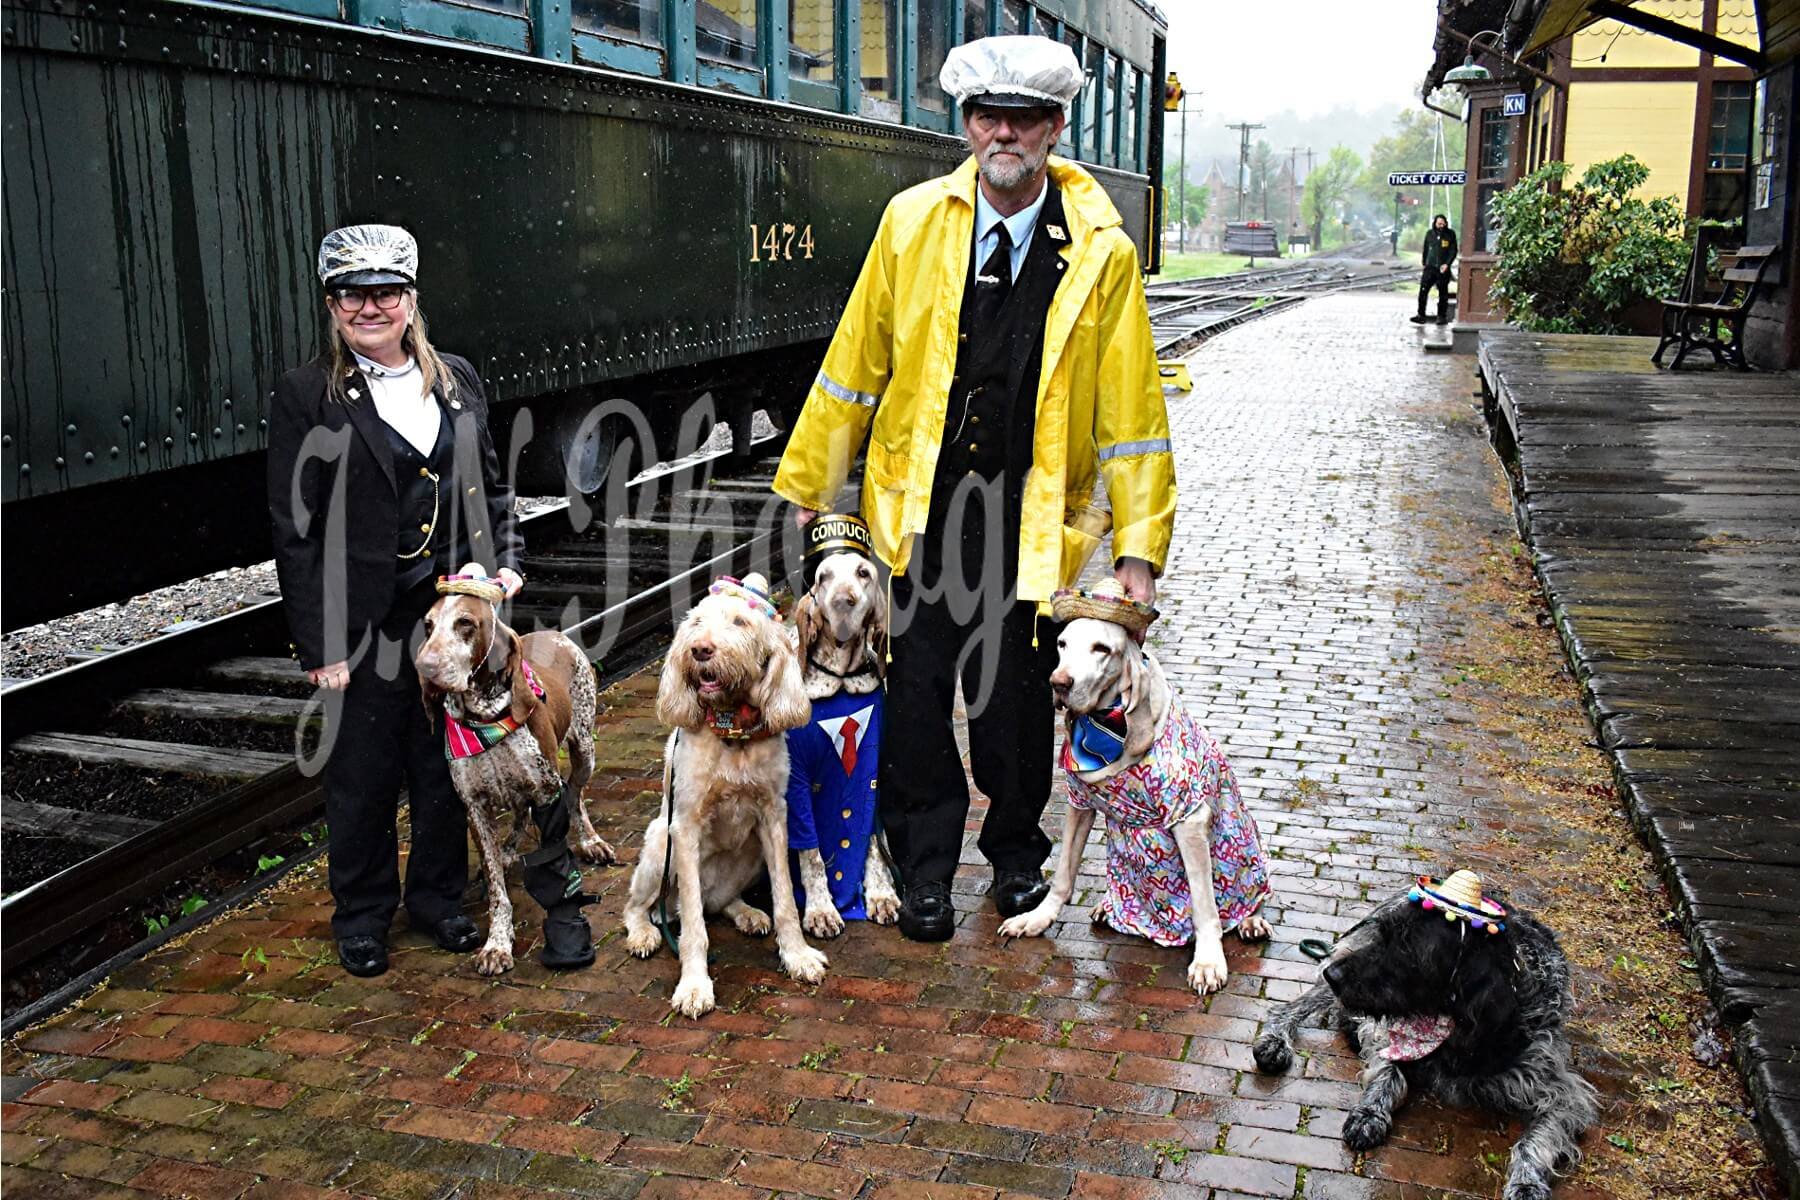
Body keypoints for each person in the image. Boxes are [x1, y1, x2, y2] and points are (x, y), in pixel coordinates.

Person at [771, 36, 1175, 943]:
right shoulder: (911, 222)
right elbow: (855, 366)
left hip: (1032, 524)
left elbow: (1133, 411)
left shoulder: (1101, 252)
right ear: (964, 124)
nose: (1004, 133)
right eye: (988, 116)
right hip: (918, 511)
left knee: (1019, 703)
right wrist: (812, 482)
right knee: (913, 698)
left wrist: (1138, 555)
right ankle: (921, 869)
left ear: (1054, 128)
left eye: (1024, 118)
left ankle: (1018, 854)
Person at [268, 224, 590, 976]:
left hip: (452, 619)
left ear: (411, 300)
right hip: (365, 622)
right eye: (354, 294)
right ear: (333, 304)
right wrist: (321, 648)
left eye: (386, 292)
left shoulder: (458, 379)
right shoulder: (306, 395)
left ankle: (442, 898)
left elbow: (495, 488)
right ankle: (363, 914)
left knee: (448, 763)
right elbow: (296, 528)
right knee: (362, 774)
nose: (370, 306)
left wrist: (504, 563)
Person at [1412, 214, 1457, 325]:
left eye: (1443, 224)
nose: (1441, 226)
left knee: (1443, 293)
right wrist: (1424, 262)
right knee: (1423, 291)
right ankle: (1420, 315)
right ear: (1435, 223)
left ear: (1445, 223)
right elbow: (1426, 249)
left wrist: (1447, 264)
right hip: (1430, 267)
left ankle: (1441, 317)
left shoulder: (1450, 234)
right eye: (1438, 224)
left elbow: (1453, 250)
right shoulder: (1429, 234)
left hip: (1443, 268)